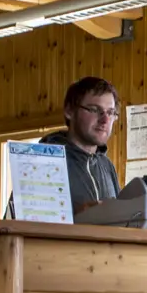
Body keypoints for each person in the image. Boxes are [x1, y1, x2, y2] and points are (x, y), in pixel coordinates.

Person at [41, 77, 122, 215]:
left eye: (110, 112)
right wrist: (77, 218)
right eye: (95, 110)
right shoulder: (42, 161)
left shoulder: (107, 166)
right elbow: (20, 223)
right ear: (69, 111)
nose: (105, 120)